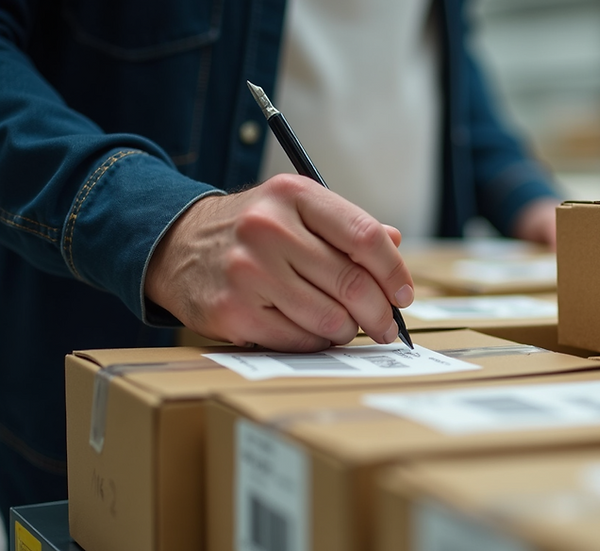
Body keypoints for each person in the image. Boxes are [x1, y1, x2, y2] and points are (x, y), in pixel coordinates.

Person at [0, 0, 561, 522]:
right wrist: (164, 227)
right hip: (136, 358)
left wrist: (527, 197)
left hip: (403, 323)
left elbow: (441, 65)